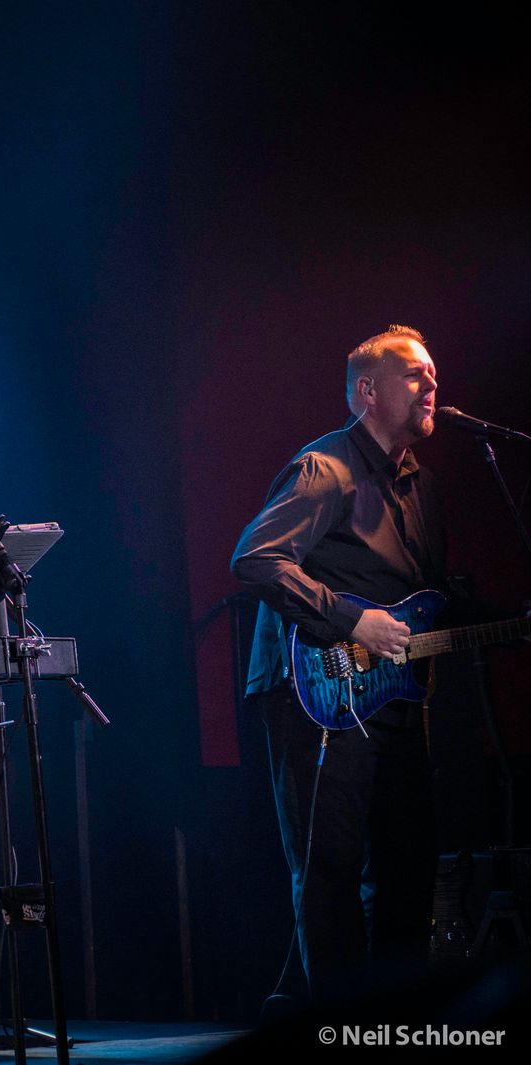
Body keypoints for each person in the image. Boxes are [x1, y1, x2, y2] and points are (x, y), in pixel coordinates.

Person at [231, 324, 446, 999]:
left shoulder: (420, 485)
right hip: (316, 693)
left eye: (433, 373)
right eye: (414, 373)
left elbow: (428, 596)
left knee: (409, 863)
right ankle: (339, 1025)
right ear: (368, 392)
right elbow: (256, 559)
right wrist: (353, 619)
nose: (432, 384)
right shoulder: (326, 468)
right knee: (331, 868)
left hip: (393, 698)